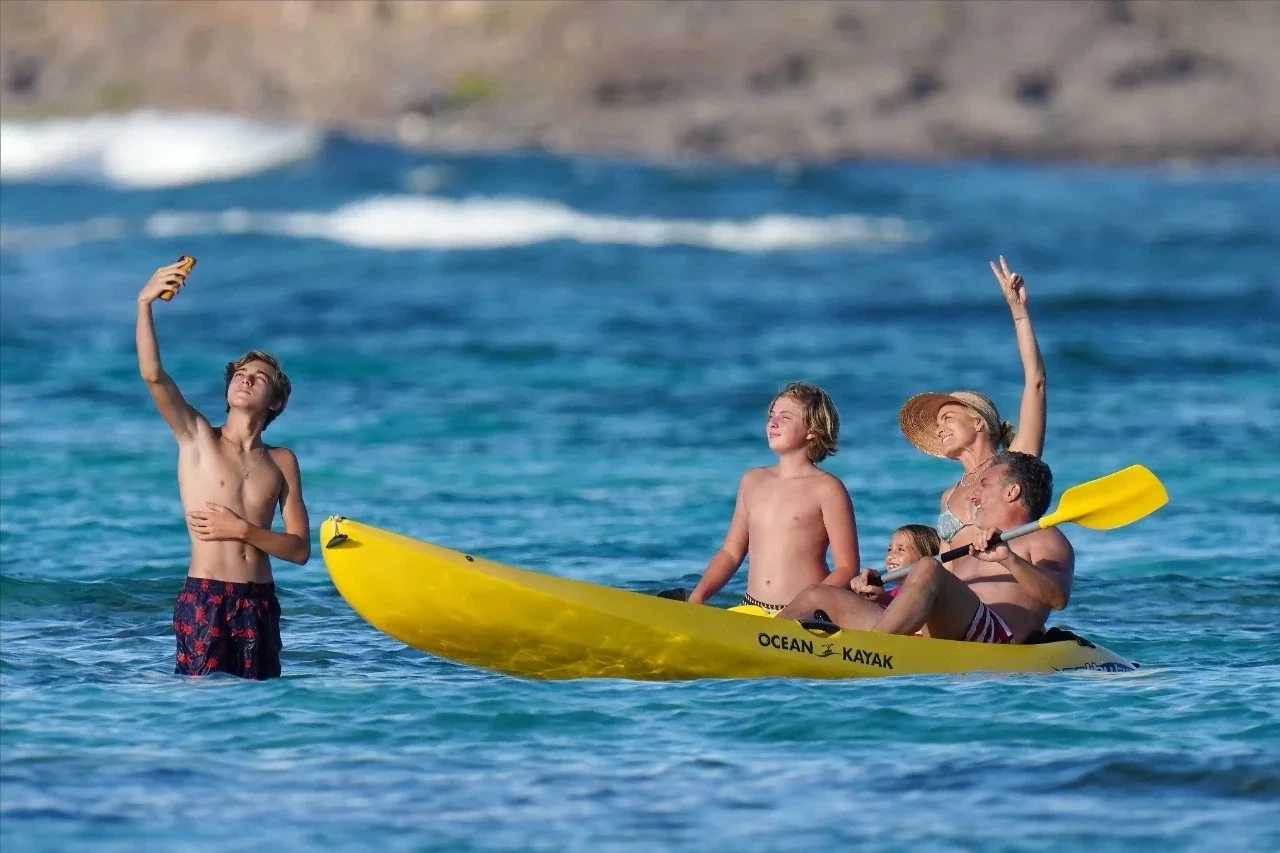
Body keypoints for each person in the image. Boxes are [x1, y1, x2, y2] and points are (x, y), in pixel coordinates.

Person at [136, 259, 311, 680]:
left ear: (275, 402)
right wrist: (145, 303)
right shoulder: (197, 437)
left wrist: (244, 530)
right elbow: (153, 375)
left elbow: (300, 551)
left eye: (259, 377)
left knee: (259, 711)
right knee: (204, 707)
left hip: (261, 600)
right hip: (207, 597)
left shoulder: (282, 461)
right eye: (241, 374)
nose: (246, 379)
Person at [778, 451, 1072, 644]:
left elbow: (1058, 598)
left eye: (984, 484)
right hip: (939, 633)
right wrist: (882, 599)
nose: (973, 496)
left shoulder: (1046, 538)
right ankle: (758, 642)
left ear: (1012, 491)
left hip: (991, 639)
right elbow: (939, 600)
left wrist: (1009, 560)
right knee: (818, 594)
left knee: (929, 566)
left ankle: (873, 651)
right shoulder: (976, 540)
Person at [896, 256, 1046, 551]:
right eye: (938, 425)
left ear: (978, 422)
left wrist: (1020, 314)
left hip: (1003, 584)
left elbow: (1036, 382)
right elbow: (946, 561)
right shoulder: (949, 496)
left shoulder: (1015, 463)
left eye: (948, 418)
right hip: (963, 593)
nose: (940, 429)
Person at [687, 382, 859, 614]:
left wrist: (803, 607)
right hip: (752, 608)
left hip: (803, 615)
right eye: (771, 415)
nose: (773, 422)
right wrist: (697, 598)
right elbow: (731, 552)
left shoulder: (827, 489)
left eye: (785, 417)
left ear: (812, 431)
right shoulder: (752, 480)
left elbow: (847, 568)